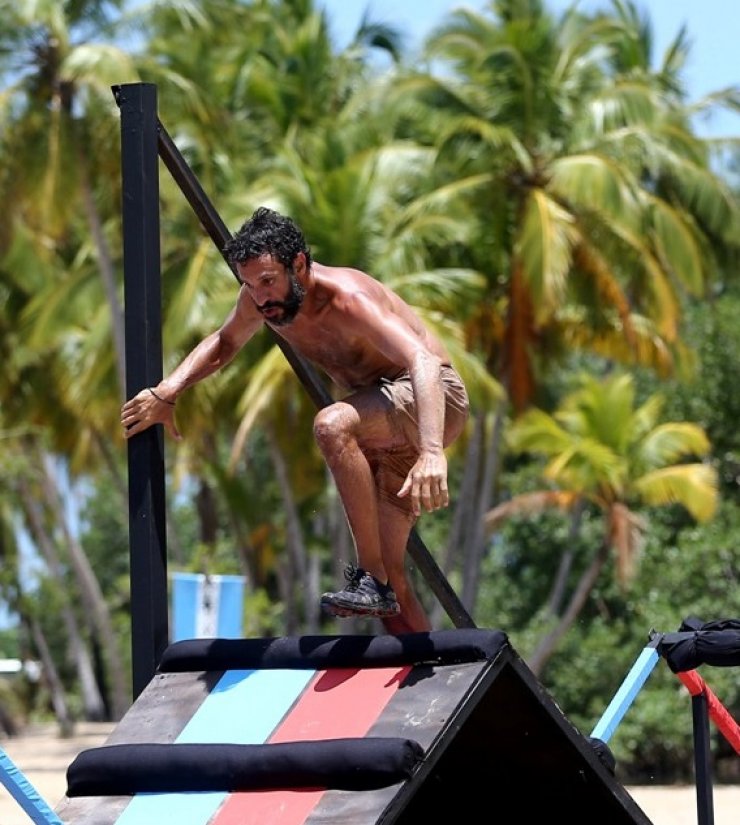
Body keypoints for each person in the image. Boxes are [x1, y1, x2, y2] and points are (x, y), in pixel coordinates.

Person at [120, 207, 469, 634]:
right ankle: (423, 672)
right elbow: (225, 342)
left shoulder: (348, 299)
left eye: (268, 281)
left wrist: (433, 452)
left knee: (332, 425)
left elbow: (422, 361)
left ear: (299, 264)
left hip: (434, 399)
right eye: (249, 285)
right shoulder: (258, 300)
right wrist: (168, 391)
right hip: (384, 426)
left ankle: (370, 577)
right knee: (394, 580)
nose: (261, 298)